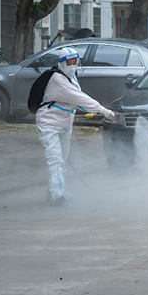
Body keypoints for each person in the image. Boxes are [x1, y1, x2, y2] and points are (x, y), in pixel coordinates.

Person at [36, 47, 114, 206]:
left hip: (64, 124)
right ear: (61, 63)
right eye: (69, 62)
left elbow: (77, 101)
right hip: (49, 123)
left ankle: (53, 191)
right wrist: (102, 109)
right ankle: (58, 194)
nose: (72, 66)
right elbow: (79, 98)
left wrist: (99, 111)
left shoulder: (72, 77)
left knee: (61, 160)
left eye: (75, 62)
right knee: (55, 160)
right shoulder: (58, 79)